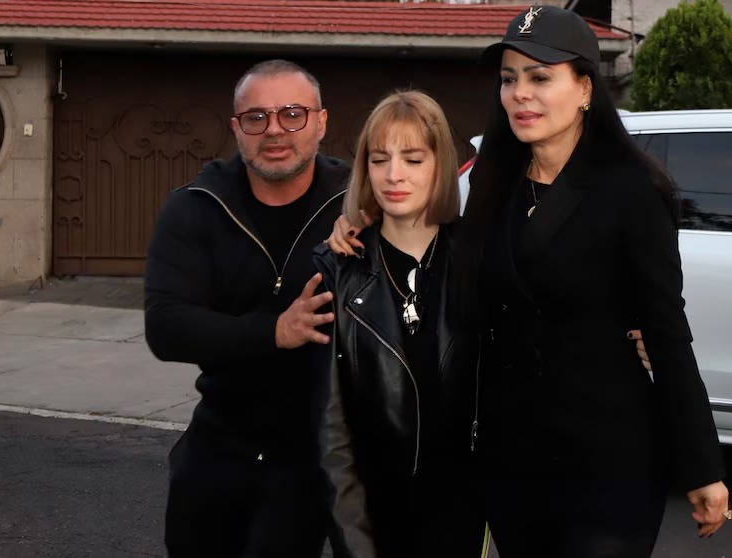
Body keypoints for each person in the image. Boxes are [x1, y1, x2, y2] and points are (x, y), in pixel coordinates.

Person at [451, 7, 729, 556]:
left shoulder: (633, 190)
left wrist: (703, 466)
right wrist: (356, 222)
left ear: (584, 88)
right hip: (512, 462)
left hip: (609, 463)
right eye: (509, 78)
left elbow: (666, 332)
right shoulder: (492, 183)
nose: (519, 93)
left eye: (540, 77)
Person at [143, 60, 348, 557]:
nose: (274, 129)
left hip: (330, 451)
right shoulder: (196, 205)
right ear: (236, 128)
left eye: (293, 114)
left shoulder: (358, 201)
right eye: (257, 117)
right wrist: (274, 331)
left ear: (321, 122)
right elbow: (166, 327)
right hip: (223, 443)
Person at [313, 91, 485, 558]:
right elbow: (331, 435)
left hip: (463, 518)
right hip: (375, 521)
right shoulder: (336, 269)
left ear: (440, 164)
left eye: (412, 159)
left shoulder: (479, 258)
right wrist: (356, 546)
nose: (393, 175)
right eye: (379, 159)